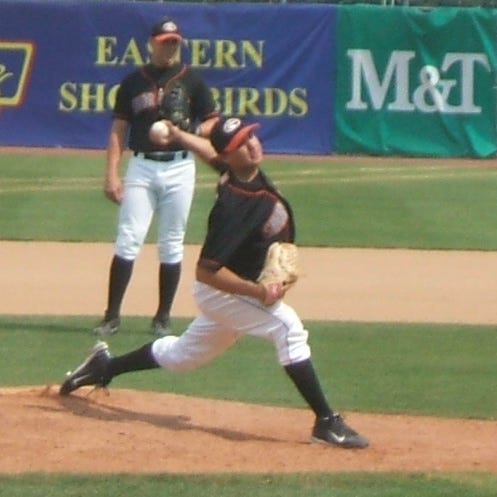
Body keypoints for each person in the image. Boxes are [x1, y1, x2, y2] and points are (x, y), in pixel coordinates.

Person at [60, 117, 369, 449]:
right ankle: (326, 422)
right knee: (288, 328)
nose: (253, 144)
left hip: (231, 293)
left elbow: (212, 155)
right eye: (242, 143)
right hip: (223, 291)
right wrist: (259, 292)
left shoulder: (235, 171)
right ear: (232, 155)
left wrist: (180, 135)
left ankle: (105, 366)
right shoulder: (234, 205)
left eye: (251, 137)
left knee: (182, 355)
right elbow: (206, 271)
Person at [94, 15, 219, 337]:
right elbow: (119, 129)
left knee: (171, 243)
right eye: (165, 42)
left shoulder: (193, 81)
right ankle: (111, 315)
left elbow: (211, 123)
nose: (170, 47)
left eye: (175, 42)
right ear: (152, 43)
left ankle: (162, 317)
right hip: (142, 166)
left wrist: (188, 129)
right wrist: (111, 173)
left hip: (180, 166)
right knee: (128, 239)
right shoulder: (133, 82)